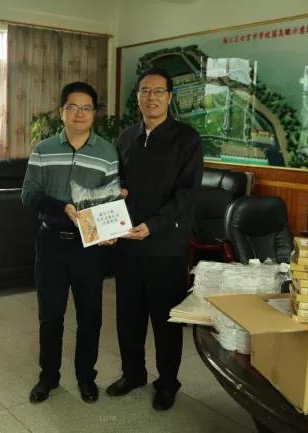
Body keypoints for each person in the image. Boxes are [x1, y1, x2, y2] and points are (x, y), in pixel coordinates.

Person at [106, 68, 203, 411]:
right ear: (138, 97)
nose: (151, 97)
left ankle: (167, 383)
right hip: (128, 243)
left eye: (158, 91)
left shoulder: (187, 138)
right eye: (145, 91)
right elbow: (115, 184)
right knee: (128, 316)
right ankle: (133, 374)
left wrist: (154, 224)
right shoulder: (126, 138)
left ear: (170, 97)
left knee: (165, 319)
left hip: (165, 245)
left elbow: (187, 193)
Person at [22, 82, 119, 404]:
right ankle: (48, 377)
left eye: (86, 108)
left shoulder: (107, 152)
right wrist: (61, 207)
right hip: (51, 243)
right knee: (50, 316)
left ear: (94, 113)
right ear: (62, 111)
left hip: (89, 247)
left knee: (90, 317)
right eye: (73, 107)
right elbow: (28, 194)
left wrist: (110, 227)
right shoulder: (44, 149)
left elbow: (110, 200)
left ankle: (86, 377)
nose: (80, 114)